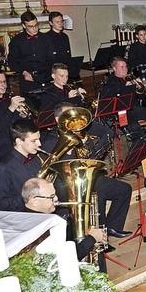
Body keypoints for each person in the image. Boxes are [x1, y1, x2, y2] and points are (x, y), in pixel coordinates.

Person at [41, 102, 131, 239]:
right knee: (98, 194)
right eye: (68, 117)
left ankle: (112, 227)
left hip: (87, 177)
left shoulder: (81, 134)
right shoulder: (51, 141)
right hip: (67, 184)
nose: (74, 121)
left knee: (124, 189)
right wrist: (70, 151)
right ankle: (98, 237)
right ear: (58, 120)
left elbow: (92, 155)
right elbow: (55, 168)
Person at [20, 178, 108, 271]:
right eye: (51, 196)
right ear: (35, 202)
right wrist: (92, 238)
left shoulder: (23, 216)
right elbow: (64, 261)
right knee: (97, 258)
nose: (56, 199)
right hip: (59, 273)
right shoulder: (41, 230)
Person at [0, 118, 42, 211]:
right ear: (19, 141)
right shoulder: (2, 168)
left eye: (39, 139)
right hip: (18, 217)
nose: (39, 144)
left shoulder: (35, 159)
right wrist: (27, 199)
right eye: (34, 141)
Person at [8, 11, 55, 108]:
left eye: (36, 25)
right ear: (24, 26)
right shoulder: (16, 41)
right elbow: (12, 61)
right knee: (32, 106)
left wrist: (51, 74)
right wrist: (23, 72)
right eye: (30, 26)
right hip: (27, 79)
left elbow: (51, 58)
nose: (34, 28)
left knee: (49, 105)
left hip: (45, 76)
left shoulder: (46, 38)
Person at [100, 56, 146, 135]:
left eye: (126, 67)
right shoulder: (110, 82)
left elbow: (142, 97)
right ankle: (139, 144)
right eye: (122, 67)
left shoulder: (130, 78)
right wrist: (126, 88)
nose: (125, 69)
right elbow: (111, 102)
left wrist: (140, 87)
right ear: (114, 69)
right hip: (120, 112)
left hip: (134, 109)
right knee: (134, 126)